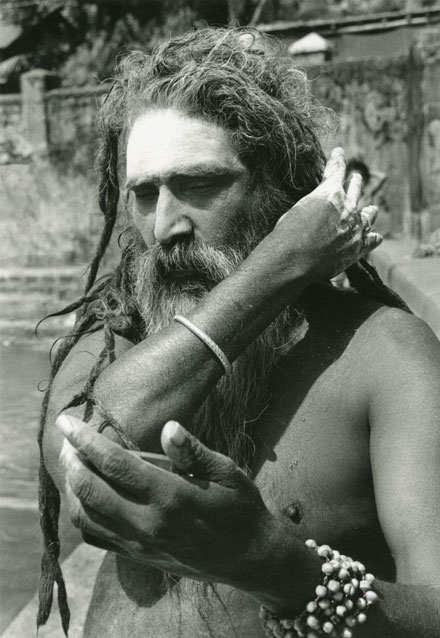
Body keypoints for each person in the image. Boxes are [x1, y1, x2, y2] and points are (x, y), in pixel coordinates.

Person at [37, 27, 440, 638]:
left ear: (278, 192)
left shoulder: (385, 356)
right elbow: (86, 460)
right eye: (145, 195)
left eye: (200, 184)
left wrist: (281, 568)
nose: (167, 226)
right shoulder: (115, 340)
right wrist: (275, 268)